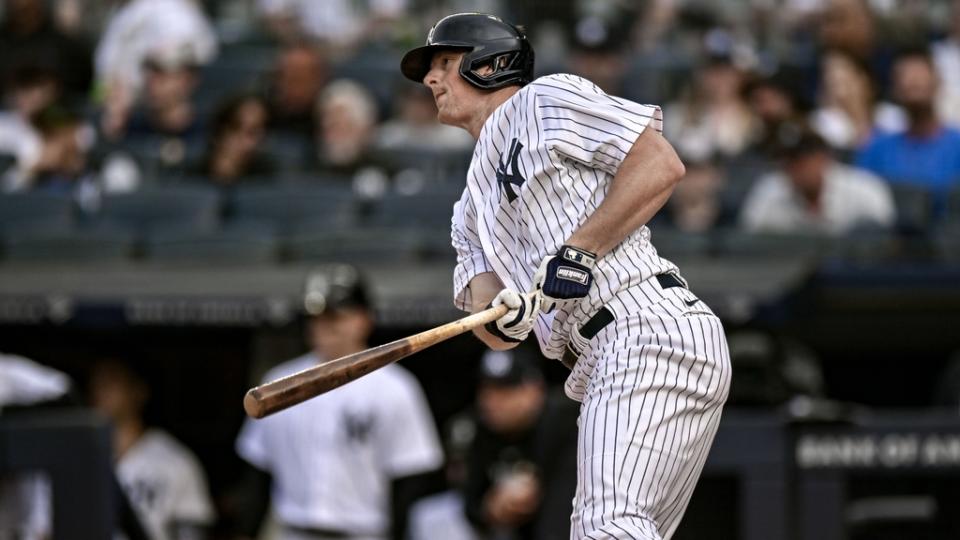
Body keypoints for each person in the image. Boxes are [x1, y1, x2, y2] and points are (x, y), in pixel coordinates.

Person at [400, 13, 731, 540]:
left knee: (605, 527)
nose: (431, 80)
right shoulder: (467, 211)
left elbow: (659, 165)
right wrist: (504, 319)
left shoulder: (544, 99)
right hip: (599, 359)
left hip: (642, 324)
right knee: (616, 530)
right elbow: (491, 325)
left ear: (491, 63)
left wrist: (579, 250)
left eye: (442, 63)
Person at [234, 264, 444, 540]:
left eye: (335, 316)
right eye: (317, 317)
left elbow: (409, 481)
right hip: (292, 531)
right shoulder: (279, 383)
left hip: (363, 532)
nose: (324, 326)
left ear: (363, 319)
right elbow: (258, 474)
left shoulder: (395, 387)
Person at [89, 357, 216, 540]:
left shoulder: (175, 460)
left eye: (112, 381)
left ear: (139, 391)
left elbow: (191, 531)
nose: (100, 390)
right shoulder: (78, 458)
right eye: (96, 382)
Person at [462, 346, 579, 540]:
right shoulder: (484, 428)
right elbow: (472, 505)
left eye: (506, 390)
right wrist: (491, 508)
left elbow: (559, 521)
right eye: (487, 389)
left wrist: (537, 487)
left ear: (534, 388)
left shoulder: (565, 419)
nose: (493, 401)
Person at [855, 49, 960, 218]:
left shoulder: (957, 145)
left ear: (938, 82)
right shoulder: (877, 149)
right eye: (904, 75)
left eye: (919, 73)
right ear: (895, 89)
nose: (912, 80)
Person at [740, 123, 895, 234]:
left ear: (823, 159)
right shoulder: (769, 191)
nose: (793, 169)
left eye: (800, 160)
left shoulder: (864, 189)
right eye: (786, 163)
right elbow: (750, 241)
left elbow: (884, 241)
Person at [195, 93, 277, 186]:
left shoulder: (271, 174)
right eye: (236, 129)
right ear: (218, 132)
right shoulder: (193, 172)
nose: (244, 140)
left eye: (253, 132)